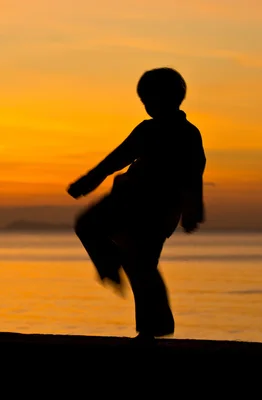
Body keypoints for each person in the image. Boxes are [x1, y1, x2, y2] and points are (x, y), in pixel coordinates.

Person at [67, 67, 206, 341]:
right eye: (143, 100)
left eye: (149, 99)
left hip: (157, 209)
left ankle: (151, 328)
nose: (146, 105)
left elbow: (193, 173)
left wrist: (192, 210)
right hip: (128, 199)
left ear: (169, 98)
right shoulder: (149, 130)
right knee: (91, 228)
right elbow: (117, 158)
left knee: (142, 265)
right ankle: (112, 267)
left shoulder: (185, 134)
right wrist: (89, 181)